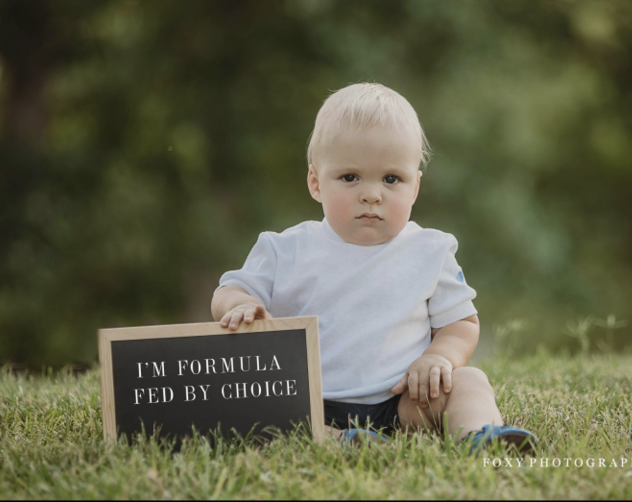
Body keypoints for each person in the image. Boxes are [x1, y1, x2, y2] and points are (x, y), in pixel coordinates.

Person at [210, 83, 535, 453]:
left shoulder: (430, 250)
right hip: (314, 402)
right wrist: (237, 305)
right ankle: (345, 441)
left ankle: (477, 435)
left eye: (391, 179)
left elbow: (460, 323)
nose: (372, 194)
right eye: (350, 177)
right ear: (316, 183)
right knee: (269, 416)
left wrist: (438, 357)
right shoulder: (284, 249)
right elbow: (229, 290)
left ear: (414, 188)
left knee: (469, 381)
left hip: (403, 401)